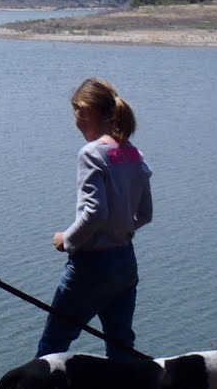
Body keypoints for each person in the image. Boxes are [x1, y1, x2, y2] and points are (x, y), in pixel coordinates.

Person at [36, 77, 153, 362]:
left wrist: (67, 239)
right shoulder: (133, 153)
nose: (75, 122)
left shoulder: (91, 154)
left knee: (54, 341)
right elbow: (145, 214)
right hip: (125, 261)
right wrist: (120, 228)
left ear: (86, 111)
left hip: (92, 266)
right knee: (120, 343)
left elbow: (95, 211)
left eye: (76, 113)